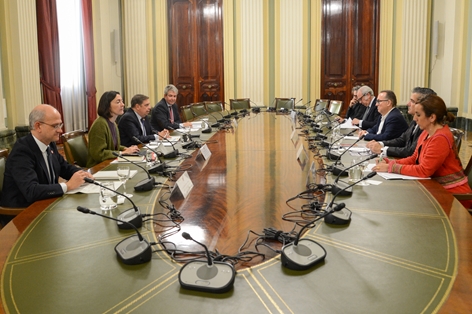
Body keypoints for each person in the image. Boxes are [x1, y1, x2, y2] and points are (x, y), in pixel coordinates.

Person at [373, 95, 472, 206]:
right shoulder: (426, 132)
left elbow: (424, 170)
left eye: (418, 115)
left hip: (454, 197)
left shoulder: (440, 138)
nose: (414, 119)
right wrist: (390, 162)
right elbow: (414, 158)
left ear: (432, 117)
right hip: (436, 189)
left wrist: (391, 167)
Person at [0, 105, 93, 209]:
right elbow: (31, 191)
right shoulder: (22, 151)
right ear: (38, 126)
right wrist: (67, 186)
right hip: (22, 213)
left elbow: (64, 167)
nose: (60, 130)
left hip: (46, 203)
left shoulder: (49, 143)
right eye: (55, 126)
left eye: (60, 125)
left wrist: (81, 174)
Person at [366, 87, 436, 158]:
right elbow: (402, 139)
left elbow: (410, 151)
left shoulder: (426, 126)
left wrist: (382, 150)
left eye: (412, 101)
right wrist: (380, 144)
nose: (407, 104)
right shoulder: (414, 122)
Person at [86, 91, 140, 168]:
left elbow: (114, 147)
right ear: (107, 106)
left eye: (122, 101)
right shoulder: (100, 124)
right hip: (99, 168)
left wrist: (126, 149)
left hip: (111, 163)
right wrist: (122, 153)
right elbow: (99, 154)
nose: (123, 105)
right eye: (118, 102)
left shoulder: (113, 123)